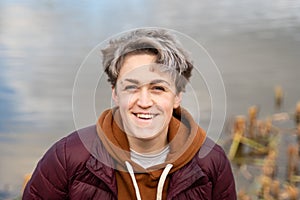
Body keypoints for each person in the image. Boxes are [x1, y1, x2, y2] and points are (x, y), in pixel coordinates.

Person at [23, 28, 236, 200]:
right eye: (131, 87)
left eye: (158, 88)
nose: (144, 102)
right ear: (115, 93)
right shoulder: (67, 158)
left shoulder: (211, 163)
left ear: (177, 96)